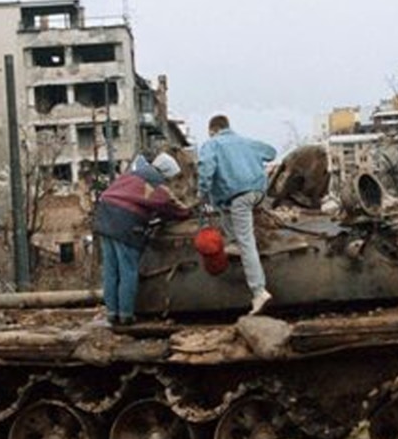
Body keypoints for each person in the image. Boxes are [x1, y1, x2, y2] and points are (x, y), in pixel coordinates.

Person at [92, 152, 191, 325]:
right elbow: (171, 207)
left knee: (111, 269)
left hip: (104, 215)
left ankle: (112, 313)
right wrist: (187, 212)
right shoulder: (156, 183)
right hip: (124, 223)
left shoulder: (134, 173)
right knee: (128, 269)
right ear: (166, 173)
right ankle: (126, 315)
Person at [197, 115, 278, 314]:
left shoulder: (212, 144)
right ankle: (232, 243)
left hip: (240, 196)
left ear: (212, 130)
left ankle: (259, 291)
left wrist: (202, 194)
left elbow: (206, 170)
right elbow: (272, 152)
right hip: (258, 193)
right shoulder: (246, 141)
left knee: (246, 242)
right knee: (225, 207)